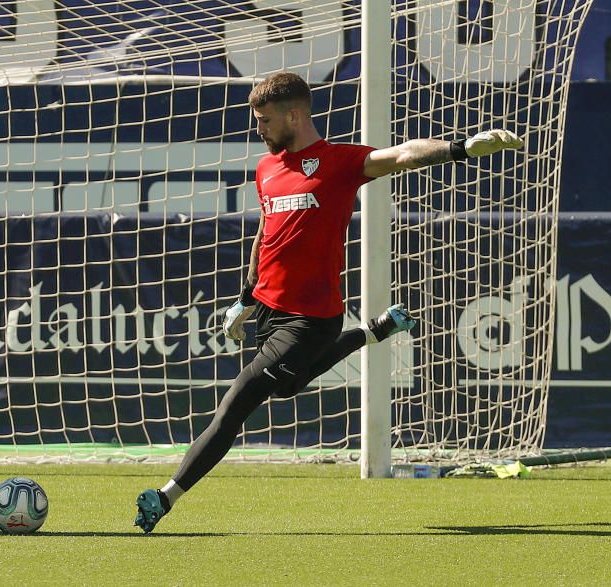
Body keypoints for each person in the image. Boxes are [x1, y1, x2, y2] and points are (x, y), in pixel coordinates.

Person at [133, 72, 523, 533]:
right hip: (271, 312)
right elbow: (266, 235)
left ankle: (165, 496)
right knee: (286, 387)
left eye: (264, 119)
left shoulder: (338, 162)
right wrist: (246, 298)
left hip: (310, 319)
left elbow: (400, 155)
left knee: (238, 400)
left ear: (294, 115)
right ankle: (373, 331)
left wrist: (459, 148)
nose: (258, 128)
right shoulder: (266, 168)